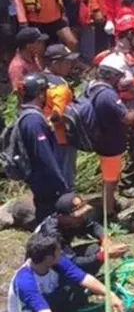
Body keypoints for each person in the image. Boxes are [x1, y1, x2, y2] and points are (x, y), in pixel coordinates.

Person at [7, 234, 124, 312]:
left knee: (74, 287)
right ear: (48, 258)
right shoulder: (24, 280)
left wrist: (109, 294)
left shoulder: (57, 262)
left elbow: (83, 278)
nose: (61, 252)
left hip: (48, 304)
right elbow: (43, 311)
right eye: (58, 250)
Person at [16, 75, 71, 223]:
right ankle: (45, 240)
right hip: (43, 178)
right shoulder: (33, 121)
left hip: (40, 176)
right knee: (48, 214)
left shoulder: (27, 114)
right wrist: (60, 183)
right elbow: (44, 156)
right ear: (40, 95)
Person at [92, 54, 134, 214]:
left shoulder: (92, 87)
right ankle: (109, 212)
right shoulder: (108, 95)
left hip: (100, 138)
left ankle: (109, 203)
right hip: (110, 142)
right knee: (110, 178)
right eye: (119, 76)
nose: (120, 80)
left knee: (108, 175)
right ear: (112, 76)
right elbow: (127, 119)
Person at [34, 193, 128, 275]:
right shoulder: (51, 235)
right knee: (96, 256)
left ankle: (86, 278)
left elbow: (93, 226)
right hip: (46, 267)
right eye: (78, 216)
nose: (83, 218)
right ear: (62, 217)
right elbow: (71, 262)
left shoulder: (75, 220)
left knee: (96, 249)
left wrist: (105, 239)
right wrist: (103, 255)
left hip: (62, 256)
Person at [42, 44, 79, 187]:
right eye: (67, 62)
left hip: (42, 135)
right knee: (66, 174)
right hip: (61, 137)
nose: (70, 65)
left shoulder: (37, 79)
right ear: (55, 63)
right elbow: (59, 114)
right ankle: (67, 201)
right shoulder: (60, 85)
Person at [9, 26, 46, 95]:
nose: (42, 44)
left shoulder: (34, 57)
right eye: (38, 42)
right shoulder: (17, 67)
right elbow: (19, 93)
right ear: (29, 46)